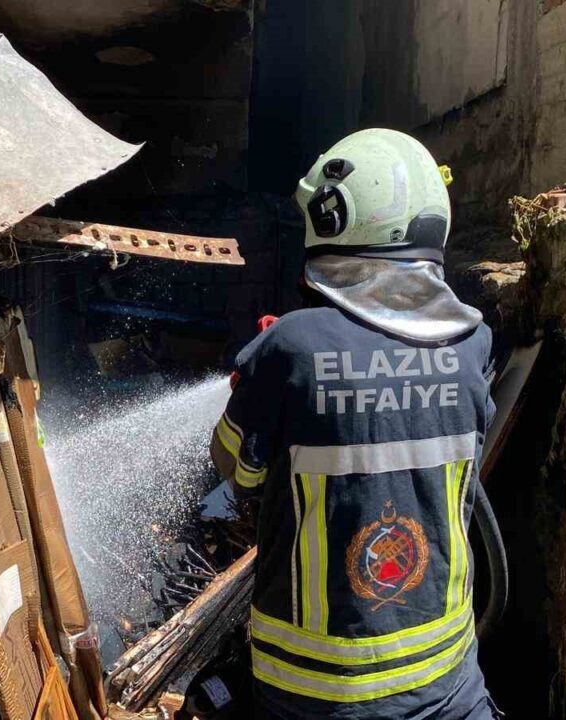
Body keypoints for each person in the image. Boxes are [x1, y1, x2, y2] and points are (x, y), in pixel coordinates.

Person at [209, 129, 501, 719]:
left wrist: (269, 386)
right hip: (447, 684)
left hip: (309, 694)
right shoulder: (474, 344)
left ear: (335, 218)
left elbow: (235, 473)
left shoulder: (288, 345)